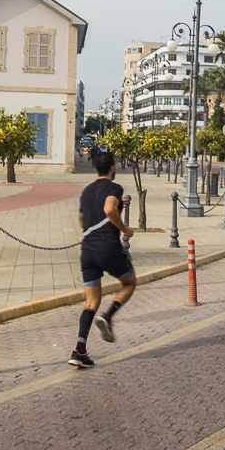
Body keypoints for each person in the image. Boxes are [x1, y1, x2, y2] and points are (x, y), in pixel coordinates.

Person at [69, 151, 136, 368]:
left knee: (90, 302)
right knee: (129, 282)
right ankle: (108, 316)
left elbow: (82, 221)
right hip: (107, 248)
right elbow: (108, 209)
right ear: (112, 167)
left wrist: (116, 208)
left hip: (87, 252)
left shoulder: (86, 191)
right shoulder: (114, 188)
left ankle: (79, 351)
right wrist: (124, 228)